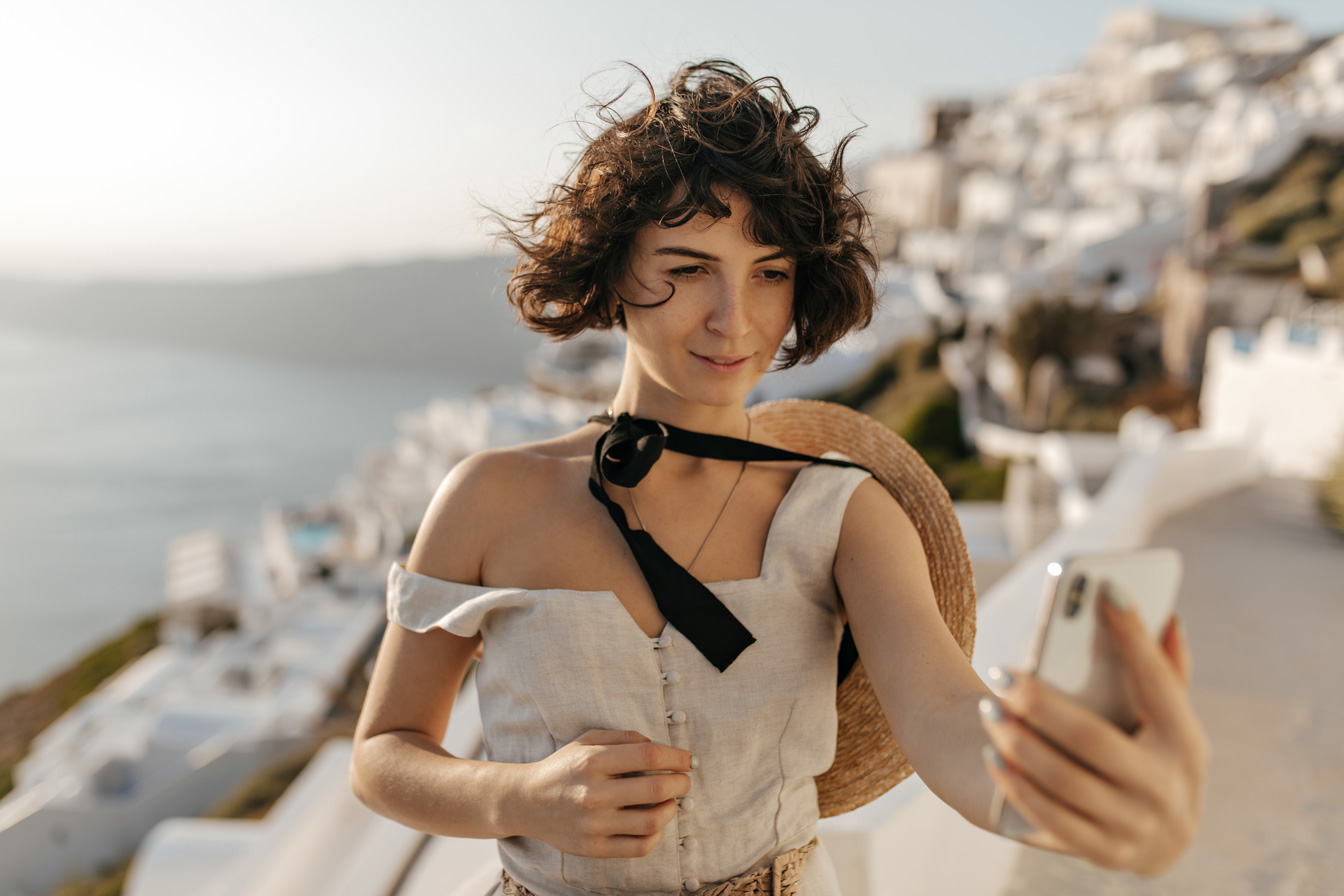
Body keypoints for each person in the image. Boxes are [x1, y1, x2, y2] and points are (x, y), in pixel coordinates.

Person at [348, 60, 1209, 895]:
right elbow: (383, 752)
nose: (735, 320)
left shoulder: (844, 511)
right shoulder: (489, 498)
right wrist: (521, 797)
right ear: (613, 269)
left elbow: (948, 718)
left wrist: (1075, 804)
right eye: (688, 269)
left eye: (770, 274)